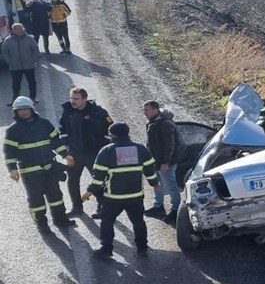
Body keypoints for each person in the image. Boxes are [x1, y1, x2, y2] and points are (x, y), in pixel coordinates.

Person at [86, 122, 157, 258]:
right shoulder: (140, 148)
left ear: (113, 134)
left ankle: (106, 250)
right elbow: (149, 168)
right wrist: (155, 183)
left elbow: (98, 175)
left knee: (107, 222)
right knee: (138, 221)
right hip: (135, 195)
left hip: (114, 197)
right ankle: (142, 248)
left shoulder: (107, 151)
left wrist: (90, 190)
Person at [4, 97, 74, 234]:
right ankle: (42, 224)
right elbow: (9, 152)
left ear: (31, 109)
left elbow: (55, 141)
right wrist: (12, 169)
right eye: (20, 110)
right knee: (36, 200)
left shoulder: (45, 124)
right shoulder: (13, 130)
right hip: (29, 172)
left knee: (56, 196)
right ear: (16, 112)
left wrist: (65, 155)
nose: (24, 112)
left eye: (26, 109)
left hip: (49, 168)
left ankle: (61, 219)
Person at [59, 87, 112, 218]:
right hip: (75, 153)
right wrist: (66, 146)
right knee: (72, 181)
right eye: (71, 98)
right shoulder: (68, 111)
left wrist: (102, 149)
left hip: (93, 153)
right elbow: (62, 128)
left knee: (98, 180)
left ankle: (102, 207)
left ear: (84, 99)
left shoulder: (98, 112)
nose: (73, 101)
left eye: (76, 99)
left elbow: (110, 131)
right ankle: (76, 208)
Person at [143, 100, 183, 221]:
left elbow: (170, 145)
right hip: (156, 160)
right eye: (144, 110)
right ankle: (158, 206)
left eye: (147, 110)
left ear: (155, 109)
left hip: (166, 162)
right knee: (157, 183)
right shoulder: (152, 122)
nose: (144, 113)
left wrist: (166, 162)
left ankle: (176, 210)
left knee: (171, 186)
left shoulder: (165, 124)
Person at [1, 23, 38, 105]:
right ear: (13, 31)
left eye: (21, 29)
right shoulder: (8, 40)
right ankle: (15, 99)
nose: (20, 31)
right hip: (15, 66)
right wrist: (9, 62)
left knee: (32, 82)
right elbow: (5, 52)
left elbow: (35, 49)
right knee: (15, 84)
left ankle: (33, 97)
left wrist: (33, 60)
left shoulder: (30, 39)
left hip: (29, 65)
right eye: (17, 29)